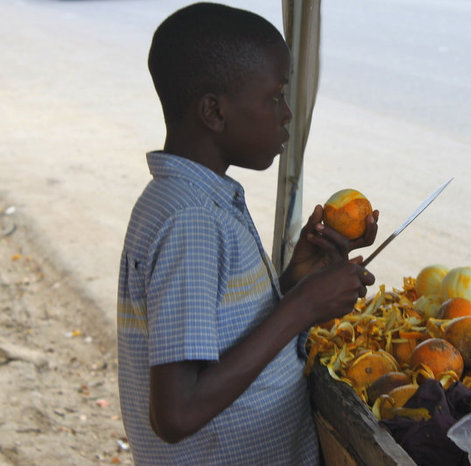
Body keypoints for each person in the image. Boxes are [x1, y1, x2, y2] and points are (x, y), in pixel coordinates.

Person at [116, 3, 378, 464]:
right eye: (275, 97)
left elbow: (221, 331)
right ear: (214, 112)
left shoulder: (193, 200)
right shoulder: (192, 220)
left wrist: (294, 283)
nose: (287, 114)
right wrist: (300, 309)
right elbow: (177, 413)